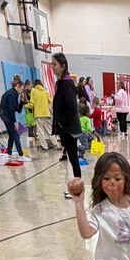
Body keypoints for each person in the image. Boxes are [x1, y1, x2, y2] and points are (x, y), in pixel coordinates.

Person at [51, 52, 82, 197]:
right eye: (52, 64)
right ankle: (77, 186)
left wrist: (63, 124)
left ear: (63, 66)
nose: (52, 67)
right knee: (72, 157)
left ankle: (78, 189)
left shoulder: (67, 84)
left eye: (55, 64)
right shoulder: (60, 83)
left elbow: (71, 107)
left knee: (73, 158)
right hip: (65, 128)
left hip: (69, 128)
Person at [28, 79, 59, 151]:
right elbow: (51, 101)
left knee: (41, 132)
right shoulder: (45, 91)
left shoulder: (33, 91)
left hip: (38, 115)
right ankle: (56, 145)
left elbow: (32, 103)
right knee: (50, 131)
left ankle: (44, 146)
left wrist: (26, 105)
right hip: (46, 114)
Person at [0, 79, 24, 156]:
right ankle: (20, 154)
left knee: (11, 133)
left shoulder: (16, 95)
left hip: (8, 114)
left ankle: (9, 151)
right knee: (15, 134)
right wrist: (15, 122)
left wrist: (21, 101)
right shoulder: (11, 94)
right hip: (4, 113)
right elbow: (11, 109)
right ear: (17, 86)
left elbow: (18, 110)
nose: (22, 91)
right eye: (22, 89)